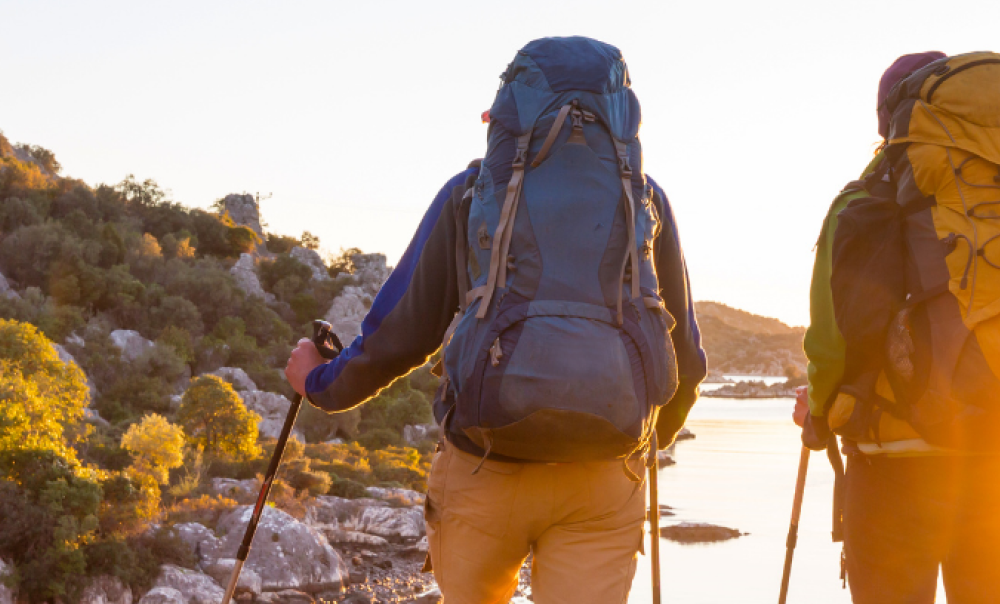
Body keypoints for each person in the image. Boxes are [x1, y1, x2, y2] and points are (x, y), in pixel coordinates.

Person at [286, 36, 706, 604]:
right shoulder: (646, 201)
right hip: (604, 477)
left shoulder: (469, 195)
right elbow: (685, 355)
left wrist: (319, 383)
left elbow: (396, 338)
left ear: (506, 114)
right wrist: (651, 436)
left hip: (483, 467)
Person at [796, 51, 1000, 603]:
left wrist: (816, 410)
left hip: (892, 472)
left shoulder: (861, 203)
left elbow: (832, 343)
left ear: (887, 122)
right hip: (999, 462)